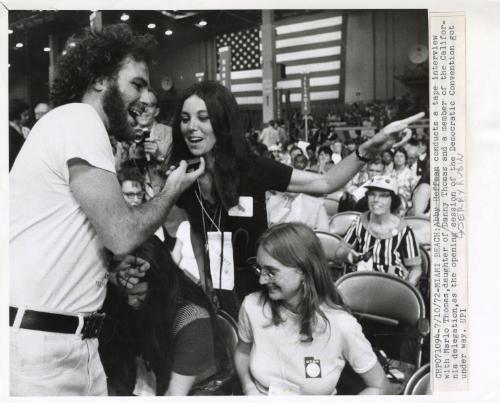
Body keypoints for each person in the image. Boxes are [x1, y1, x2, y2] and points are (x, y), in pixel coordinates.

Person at [9, 24, 204, 396]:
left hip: (67, 343)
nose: (146, 97)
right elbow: (122, 234)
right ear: (100, 79)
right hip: (43, 350)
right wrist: (171, 191)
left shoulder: (66, 124)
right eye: (138, 84)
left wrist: (105, 270)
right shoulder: (81, 119)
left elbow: (70, 232)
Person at [171, 80, 421, 317]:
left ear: (222, 123)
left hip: (263, 286)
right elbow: (196, 230)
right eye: (185, 119)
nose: (191, 126)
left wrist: (369, 147)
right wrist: (205, 280)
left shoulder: (253, 169)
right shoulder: (186, 176)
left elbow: (325, 183)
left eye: (203, 118)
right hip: (219, 286)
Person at [234, 222, 389, 395]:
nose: (262, 280)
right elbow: (242, 352)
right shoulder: (252, 306)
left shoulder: (341, 324)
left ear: (303, 270)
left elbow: (380, 386)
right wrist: (248, 387)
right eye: (260, 269)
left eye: (271, 272)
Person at [99, 236, 227, 396]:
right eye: (125, 294)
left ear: (160, 288)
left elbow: (175, 394)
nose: (131, 302)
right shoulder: (134, 305)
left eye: (139, 294)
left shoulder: (192, 318)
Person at [344, 176, 422, 286]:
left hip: (392, 286)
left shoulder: (404, 230)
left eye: (383, 196)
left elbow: (416, 269)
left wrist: (408, 287)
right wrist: (348, 255)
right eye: (372, 194)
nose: (376, 199)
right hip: (361, 282)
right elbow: (340, 252)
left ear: (393, 200)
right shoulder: (359, 222)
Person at [9, 99, 30, 169]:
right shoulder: (10, 132)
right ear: (16, 115)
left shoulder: (21, 129)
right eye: (25, 115)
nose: (28, 117)